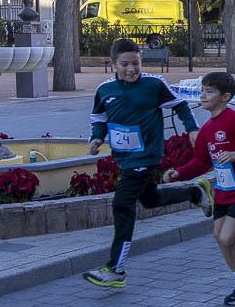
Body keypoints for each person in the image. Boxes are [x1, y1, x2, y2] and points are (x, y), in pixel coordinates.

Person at [83, 40, 211, 289]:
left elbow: (180, 105)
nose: (131, 69)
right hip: (124, 156)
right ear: (113, 65)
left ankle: (115, 268)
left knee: (122, 204)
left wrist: (192, 129)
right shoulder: (105, 90)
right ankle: (195, 192)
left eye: (136, 63)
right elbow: (98, 117)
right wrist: (96, 137)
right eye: (125, 64)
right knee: (150, 199)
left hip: (147, 155)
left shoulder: (153, 85)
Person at [163, 71, 235, 306]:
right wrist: (179, 172)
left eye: (209, 91)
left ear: (225, 97)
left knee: (228, 238)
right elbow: (201, 162)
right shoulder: (207, 129)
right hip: (224, 191)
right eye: (202, 91)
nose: (203, 96)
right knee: (220, 237)